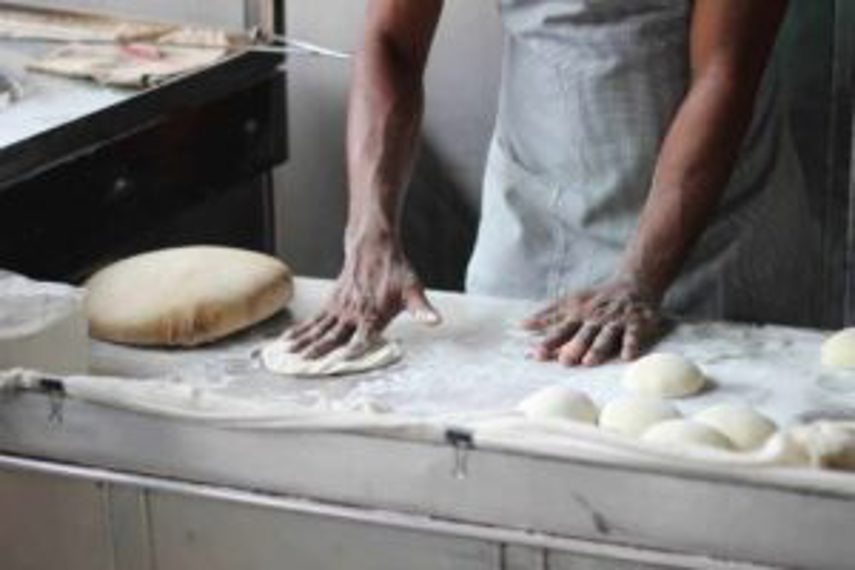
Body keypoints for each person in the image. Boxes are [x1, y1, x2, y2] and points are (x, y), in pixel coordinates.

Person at [286, 0, 820, 366]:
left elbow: (724, 75)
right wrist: (370, 234)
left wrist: (638, 277)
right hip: (533, 228)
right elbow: (391, 42)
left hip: (710, 247)